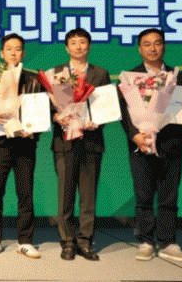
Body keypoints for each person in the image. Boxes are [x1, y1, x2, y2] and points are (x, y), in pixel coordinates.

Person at [119, 28, 182, 262]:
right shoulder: (129, 77)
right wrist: (134, 135)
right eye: (147, 44)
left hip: (171, 144)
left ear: (164, 46)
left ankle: (168, 242)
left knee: (169, 197)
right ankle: (145, 241)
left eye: (157, 43)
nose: (152, 48)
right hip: (141, 145)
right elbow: (123, 112)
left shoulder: (178, 76)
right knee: (143, 196)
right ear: (139, 48)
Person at [50, 28, 110, 261]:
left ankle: (85, 241)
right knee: (65, 195)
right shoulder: (56, 73)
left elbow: (106, 105)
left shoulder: (100, 73)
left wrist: (98, 121)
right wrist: (56, 117)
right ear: (67, 48)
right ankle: (67, 241)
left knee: (88, 196)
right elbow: (47, 106)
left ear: (89, 46)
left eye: (83, 42)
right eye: (73, 43)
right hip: (64, 142)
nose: (78, 46)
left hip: (91, 141)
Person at [0, 33, 43, 259]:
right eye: (9, 48)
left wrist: (34, 129)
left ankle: (25, 241)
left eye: (17, 49)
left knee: (25, 193)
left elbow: (41, 110)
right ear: (1, 53)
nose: (13, 52)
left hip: (25, 143)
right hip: (0, 141)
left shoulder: (34, 79)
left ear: (23, 53)